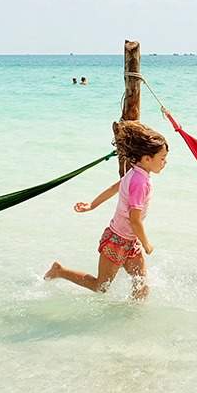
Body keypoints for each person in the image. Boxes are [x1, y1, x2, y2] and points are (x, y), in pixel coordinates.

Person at [44, 121, 168, 299]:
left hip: (130, 241)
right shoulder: (140, 182)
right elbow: (135, 220)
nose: (165, 163)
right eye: (162, 159)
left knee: (141, 284)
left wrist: (92, 205)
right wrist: (146, 243)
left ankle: (131, 321)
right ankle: (60, 271)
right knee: (101, 287)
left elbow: (114, 188)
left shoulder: (135, 173)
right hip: (117, 241)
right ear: (147, 159)